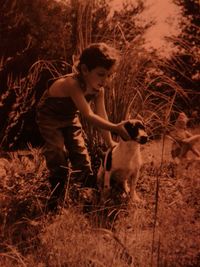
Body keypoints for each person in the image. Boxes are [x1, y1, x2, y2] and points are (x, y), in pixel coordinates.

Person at [36, 43, 131, 209]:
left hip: (70, 117)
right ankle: (55, 200)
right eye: (101, 74)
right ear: (85, 70)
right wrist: (115, 128)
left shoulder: (98, 90)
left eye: (109, 75)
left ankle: (87, 198)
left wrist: (110, 143)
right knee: (57, 152)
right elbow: (88, 115)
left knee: (81, 155)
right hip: (49, 116)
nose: (105, 80)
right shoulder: (72, 84)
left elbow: (101, 114)